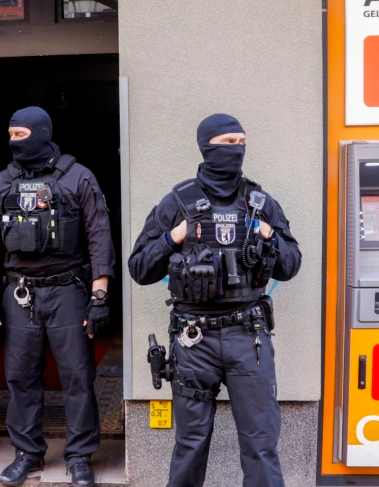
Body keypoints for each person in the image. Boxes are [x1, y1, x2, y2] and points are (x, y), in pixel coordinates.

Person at [128, 113, 301, 487]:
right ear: (206, 146)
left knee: (261, 444)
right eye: (228, 142)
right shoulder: (177, 202)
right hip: (194, 340)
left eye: (241, 142)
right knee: (190, 444)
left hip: (248, 337)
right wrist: (173, 237)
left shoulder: (260, 203)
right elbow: (139, 268)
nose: (237, 149)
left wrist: (269, 235)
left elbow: (291, 265)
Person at [0, 106, 115, 487]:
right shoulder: (2, 183)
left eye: (21, 135)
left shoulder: (78, 177)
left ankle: (80, 456)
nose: (14, 142)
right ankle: (27, 453)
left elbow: (99, 235)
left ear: (41, 133)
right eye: (11, 135)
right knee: (20, 376)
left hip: (68, 290)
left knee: (77, 376)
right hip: (20, 293)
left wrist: (99, 295)